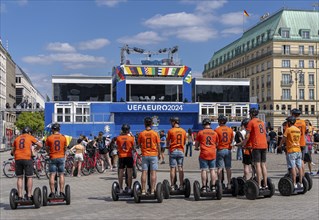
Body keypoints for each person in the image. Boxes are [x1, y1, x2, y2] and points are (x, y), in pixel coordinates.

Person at [11, 127, 43, 200]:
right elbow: (40, 145)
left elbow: (12, 151)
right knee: (29, 177)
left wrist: (13, 153)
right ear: (29, 132)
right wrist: (36, 149)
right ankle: (29, 195)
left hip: (18, 159)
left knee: (19, 177)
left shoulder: (17, 138)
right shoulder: (30, 137)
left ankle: (20, 196)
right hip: (27, 158)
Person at [243, 108, 268, 190]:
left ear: (251, 114)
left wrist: (243, 144)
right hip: (264, 145)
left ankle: (259, 184)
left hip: (257, 145)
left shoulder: (251, 122)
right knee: (263, 165)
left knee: (257, 165)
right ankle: (265, 184)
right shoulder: (262, 122)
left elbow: (247, 136)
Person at [278, 116, 303, 189]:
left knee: (293, 167)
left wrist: (280, 145)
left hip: (291, 150)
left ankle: (294, 183)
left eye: (287, 122)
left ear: (289, 122)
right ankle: (301, 183)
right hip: (298, 150)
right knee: (299, 167)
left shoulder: (288, 129)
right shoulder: (298, 130)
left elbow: (283, 139)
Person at [195, 118, 219, 192]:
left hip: (204, 153)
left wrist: (196, 148)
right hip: (212, 153)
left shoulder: (200, 132)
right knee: (212, 170)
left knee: (204, 170)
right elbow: (217, 144)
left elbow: (197, 143)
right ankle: (213, 187)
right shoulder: (215, 133)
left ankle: (204, 187)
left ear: (203, 125)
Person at [138, 117, 161, 195]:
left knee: (144, 172)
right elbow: (158, 145)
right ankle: (152, 190)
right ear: (151, 124)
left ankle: (143, 190)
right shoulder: (155, 133)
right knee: (153, 172)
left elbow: (139, 144)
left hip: (145, 154)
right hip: (153, 154)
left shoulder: (142, 133)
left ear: (144, 124)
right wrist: (159, 154)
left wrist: (142, 150)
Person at [45, 123, 68, 197]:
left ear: (52, 129)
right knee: (61, 174)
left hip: (53, 157)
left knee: (52, 174)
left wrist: (49, 153)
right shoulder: (63, 137)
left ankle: (52, 192)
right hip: (61, 157)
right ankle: (61, 192)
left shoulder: (49, 138)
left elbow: (47, 148)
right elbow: (65, 148)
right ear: (59, 129)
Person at [166, 117, 187, 190]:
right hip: (181, 150)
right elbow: (184, 142)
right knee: (180, 168)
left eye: (171, 122)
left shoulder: (170, 131)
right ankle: (181, 185)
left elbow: (168, 142)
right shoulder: (183, 131)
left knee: (172, 168)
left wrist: (168, 146)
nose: (171, 123)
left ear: (174, 122)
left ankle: (172, 186)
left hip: (173, 150)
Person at [214, 115, 234, 190]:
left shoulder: (217, 130)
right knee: (228, 168)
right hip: (228, 149)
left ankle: (220, 183)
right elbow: (231, 140)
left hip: (220, 149)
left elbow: (215, 141)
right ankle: (229, 183)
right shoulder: (230, 130)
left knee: (219, 168)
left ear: (219, 121)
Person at [116, 124, 135, 193]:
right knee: (130, 172)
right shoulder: (131, 138)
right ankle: (129, 188)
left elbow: (117, 146)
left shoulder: (118, 138)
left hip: (121, 156)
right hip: (129, 156)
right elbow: (133, 148)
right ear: (128, 130)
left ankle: (121, 188)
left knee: (121, 172)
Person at [291, 109, 306, 175]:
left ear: (293, 114)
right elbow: (304, 132)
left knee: (294, 160)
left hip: (294, 144)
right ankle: (302, 174)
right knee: (301, 160)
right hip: (302, 142)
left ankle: (296, 174)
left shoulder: (292, 122)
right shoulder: (303, 122)